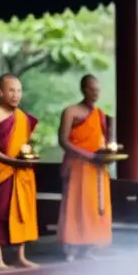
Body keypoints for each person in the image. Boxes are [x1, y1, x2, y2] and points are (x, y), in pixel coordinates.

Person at [0, 74, 39, 269]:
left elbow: (24, 145)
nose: (16, 95)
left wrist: (27, 156)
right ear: (0, 92)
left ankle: (20, 255)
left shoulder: (23, 118)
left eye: (19, 90)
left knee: (22, 211)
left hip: (19, 172)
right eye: (11, 90)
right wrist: (9, 160)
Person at [57, 74, 112, 260]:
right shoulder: (71, 111)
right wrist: (87, 154)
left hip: (96, 168)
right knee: (75, 206)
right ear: (83, 89)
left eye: (97, 90)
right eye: (91, 89)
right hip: (77, 166)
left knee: (94, 207)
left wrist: (107, 155)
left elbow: (102, 142)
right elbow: (63, 141)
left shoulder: (101, 115)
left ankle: (89, 247)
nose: (95, 93)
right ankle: (71, 248)